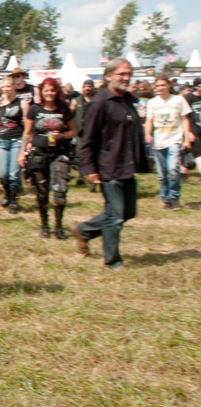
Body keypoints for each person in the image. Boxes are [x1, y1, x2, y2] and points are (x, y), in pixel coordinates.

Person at [72, 58, 148, 269]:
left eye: (128, 73)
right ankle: (113, 261)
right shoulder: (99, 102)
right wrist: (89, 169)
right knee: (115, 217)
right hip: (108, 167)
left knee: (128, 212)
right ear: (108, 77)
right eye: (122, 74)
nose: (126, 77)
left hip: (127, 166)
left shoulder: (127, 100)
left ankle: (84, 231)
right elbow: (87, 139)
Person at [18, 78, 77, 239]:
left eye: (52, 90)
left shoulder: (64, 109)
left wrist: (63, 135)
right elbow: (27, 133)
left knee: (60, 191)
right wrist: (22, 152)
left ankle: (58, 226)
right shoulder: (34, 109)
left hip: (59, 154)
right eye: (46, 90)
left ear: (57, 91)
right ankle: (45, 225)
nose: (49, 93)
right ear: (41, 92)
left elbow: (74, 132)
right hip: (39, 155)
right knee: (42, 193)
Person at [144, 75, 192, 210]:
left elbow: (185, 120)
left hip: (174, 139)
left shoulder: (178, 100)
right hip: (159, 140)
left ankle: (174, 197)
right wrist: (148, 134)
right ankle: (165, 198)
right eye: (157, 85)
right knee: (161, 175)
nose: (160, 88)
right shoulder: (152, 102)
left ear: (169, 86)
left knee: (173, 169)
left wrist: (186, 139)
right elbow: (149, 120)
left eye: (163, 85)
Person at [0, 74, 29, 213]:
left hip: (17, 140)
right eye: (4, 86)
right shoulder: (0, 102)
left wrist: (27, 143)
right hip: (2, 140)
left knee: (13, 174)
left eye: (8, 86)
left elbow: (28, 125)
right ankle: (7, 193)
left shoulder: (22, 102)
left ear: (14, 87)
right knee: (2, 174)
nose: (6, 89)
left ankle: (13, 200)